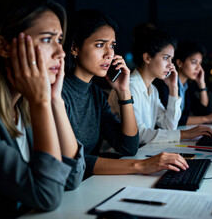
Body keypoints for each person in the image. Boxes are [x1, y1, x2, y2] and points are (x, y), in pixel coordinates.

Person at [0, 0, 85, 218]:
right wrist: (41, 102)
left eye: (59, 40)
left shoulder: (24, 105)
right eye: (46, 39)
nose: (61, 53)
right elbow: (47, 195)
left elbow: (71, 179)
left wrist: (54, 100)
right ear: (3, 47)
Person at [62, 10, 189, 179]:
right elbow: (70, 162)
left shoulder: (95, 94)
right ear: (75, 48)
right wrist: (141, 165)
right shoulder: (60, 93)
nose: (109, 54)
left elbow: (129, 146)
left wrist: (124, 92)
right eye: (100, 45)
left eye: (112, 46)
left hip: (88, 182)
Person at [108, 24, 212, 145]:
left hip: (138, 152)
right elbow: (139, 134)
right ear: (147, 58)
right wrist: (185, 134)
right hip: (117, 156)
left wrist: (173, 88)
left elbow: (169, 127)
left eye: (171, 59)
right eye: (166, 58)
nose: (171, 65)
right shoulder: (129, 87)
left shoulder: (152, 89)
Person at [153, 41, 212, 125]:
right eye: (194, 62)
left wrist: (202, 85)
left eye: (200, 63)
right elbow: (173, 120)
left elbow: (203, 113)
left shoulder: (187, 86)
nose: (199, 68)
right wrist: (207, 119)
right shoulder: (165, 84)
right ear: (179, 63)